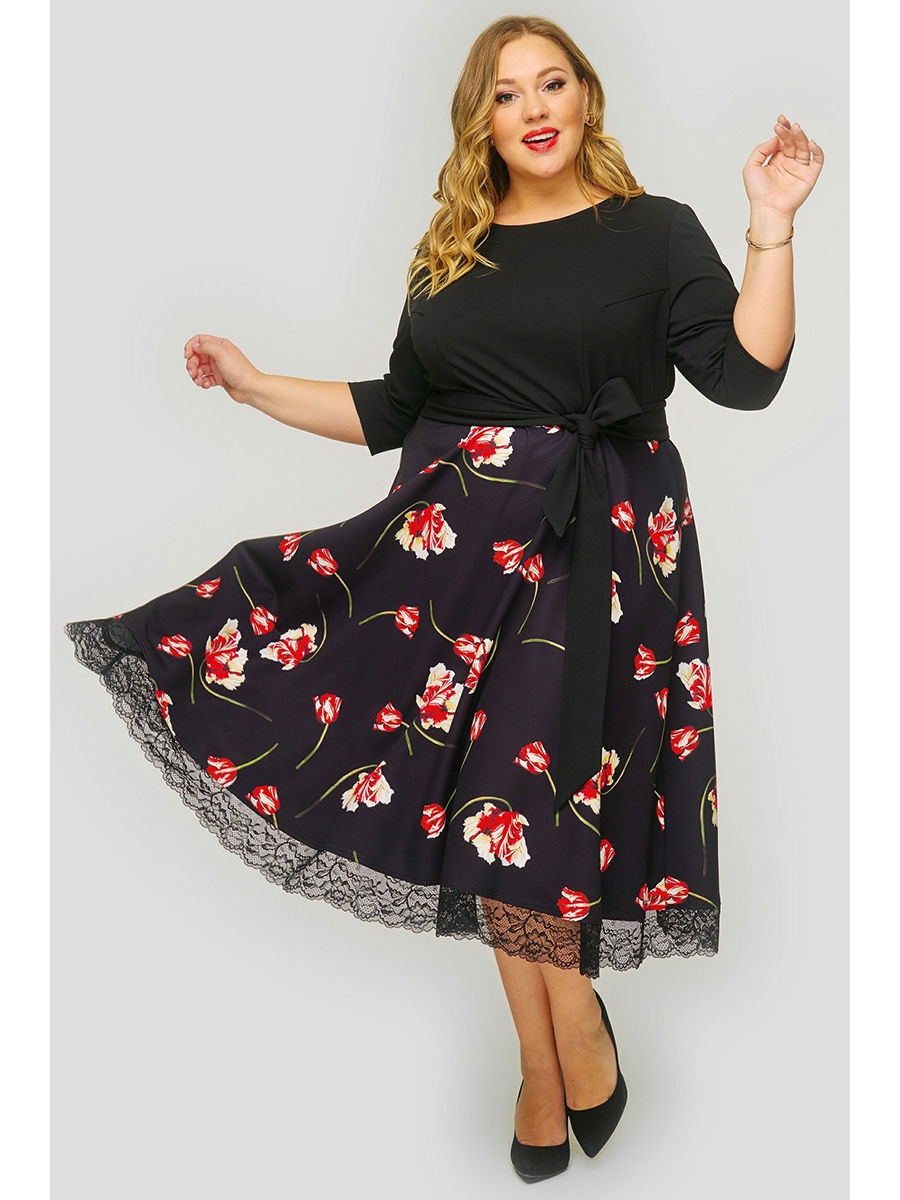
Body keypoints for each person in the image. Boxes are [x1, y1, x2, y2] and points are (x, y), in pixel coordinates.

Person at [65, 13, 822, 1184]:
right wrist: (256, 386)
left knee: (520, 803)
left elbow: (748, 376)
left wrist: (770, 225)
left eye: (552, 82)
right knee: (485, 812)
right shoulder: (450, 252)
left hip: (600, 559)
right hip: (460, 564)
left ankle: (551, 1054)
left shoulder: (653, 232)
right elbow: (394, 411)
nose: (534, 109)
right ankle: (554, 1046)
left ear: (585, 95)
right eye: (507, 93)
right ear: (481, 120)